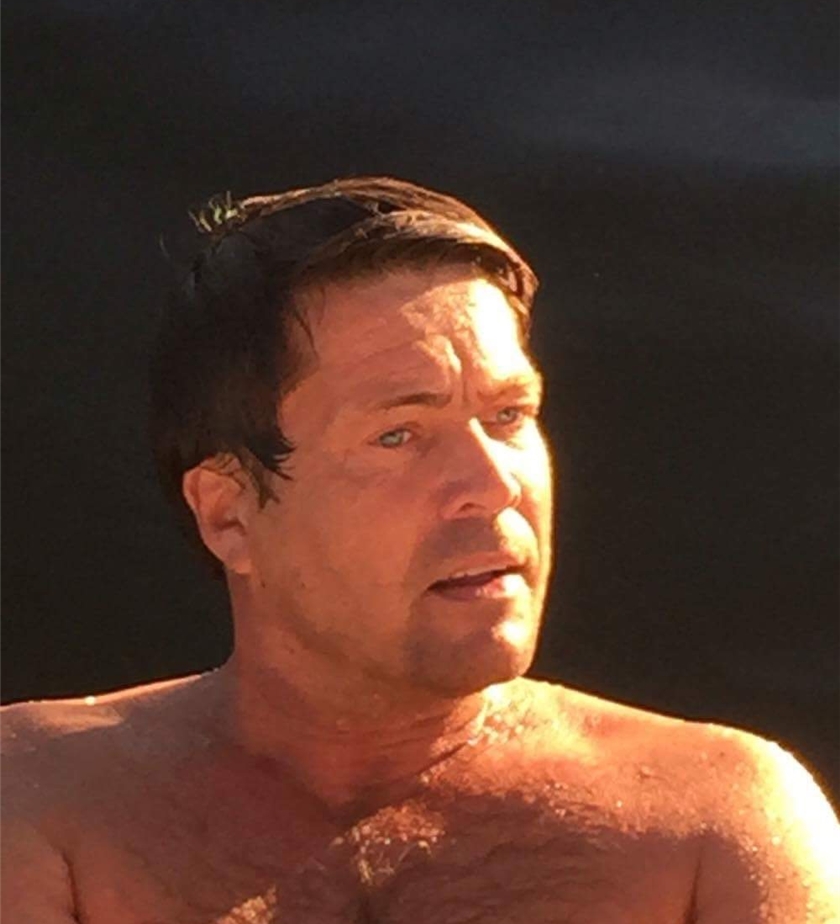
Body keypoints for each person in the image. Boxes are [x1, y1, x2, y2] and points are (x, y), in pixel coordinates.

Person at [2, 177, 838, 924]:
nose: (492, 483)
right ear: (229, 515)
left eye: (509, 416)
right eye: (398, 434)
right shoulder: (39, 807)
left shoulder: (713, 831)